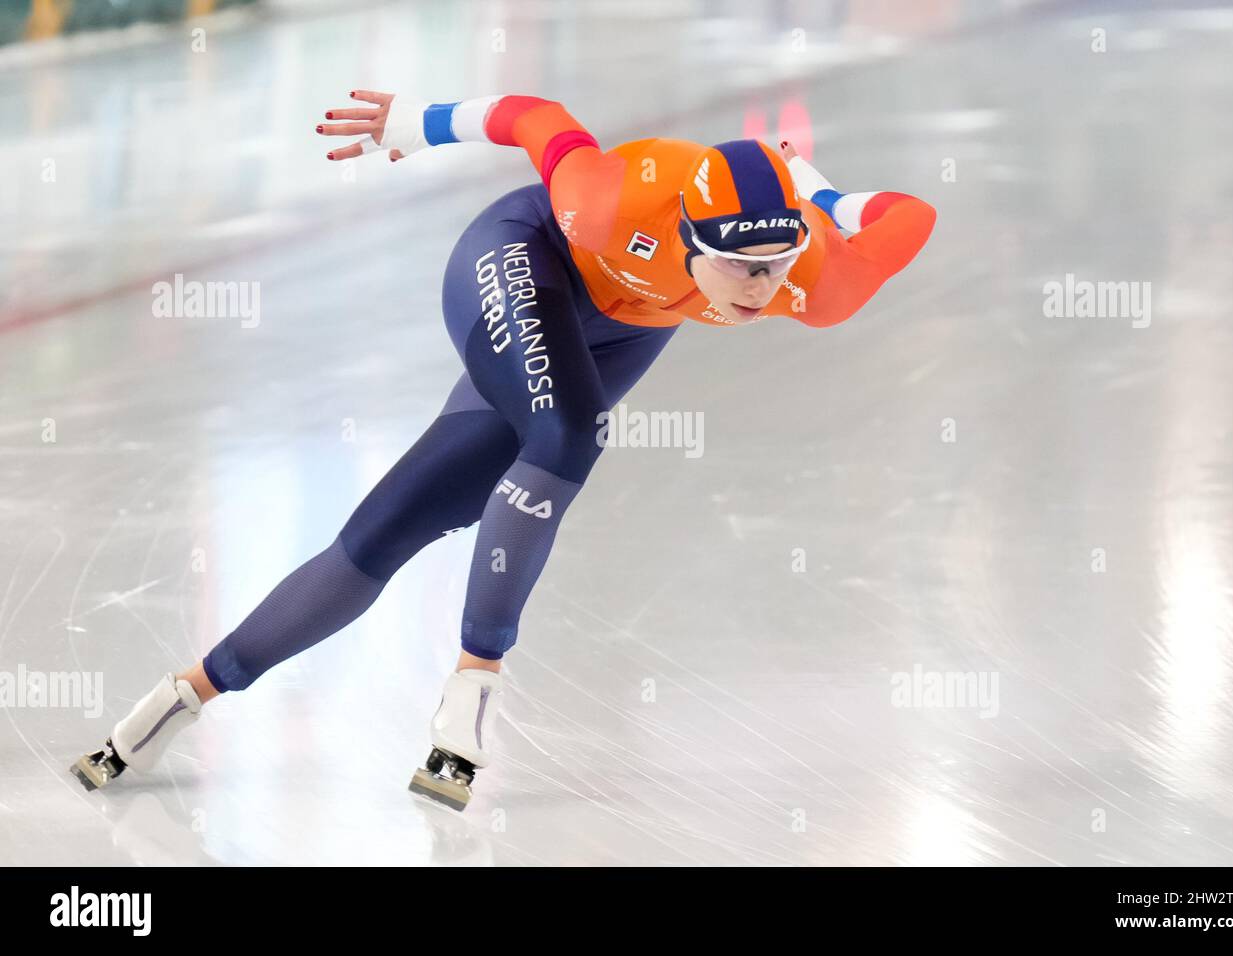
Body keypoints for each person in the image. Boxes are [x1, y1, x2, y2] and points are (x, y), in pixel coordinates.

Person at [72, 92, 937, 810]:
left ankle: (184, 695)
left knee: (401, 522)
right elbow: (534, 116)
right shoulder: (610, 200)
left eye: (775, 262)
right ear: (685, 234)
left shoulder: (815, 285)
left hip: (621, 335)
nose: (760, 288)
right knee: (567, 432)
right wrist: (415, 121)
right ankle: (474, 685)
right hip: (526, 258)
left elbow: (914, 214)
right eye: (737, 265)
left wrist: (828, 202)